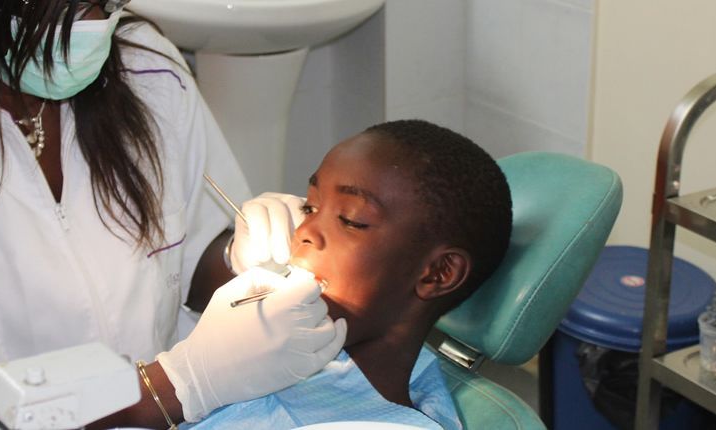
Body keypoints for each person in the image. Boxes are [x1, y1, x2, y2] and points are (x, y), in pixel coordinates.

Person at [0, 1, 345, 429]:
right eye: (73, 4)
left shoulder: (144, 67)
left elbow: (191, 250)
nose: (99, 25)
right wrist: (175, 385)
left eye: (109, 3)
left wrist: (239, 256)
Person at [185, 119, 514, 429]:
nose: (306, 231)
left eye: (352, 220)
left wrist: (175, 389)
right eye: (309, 207)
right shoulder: (262, 363)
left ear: (438, 273)